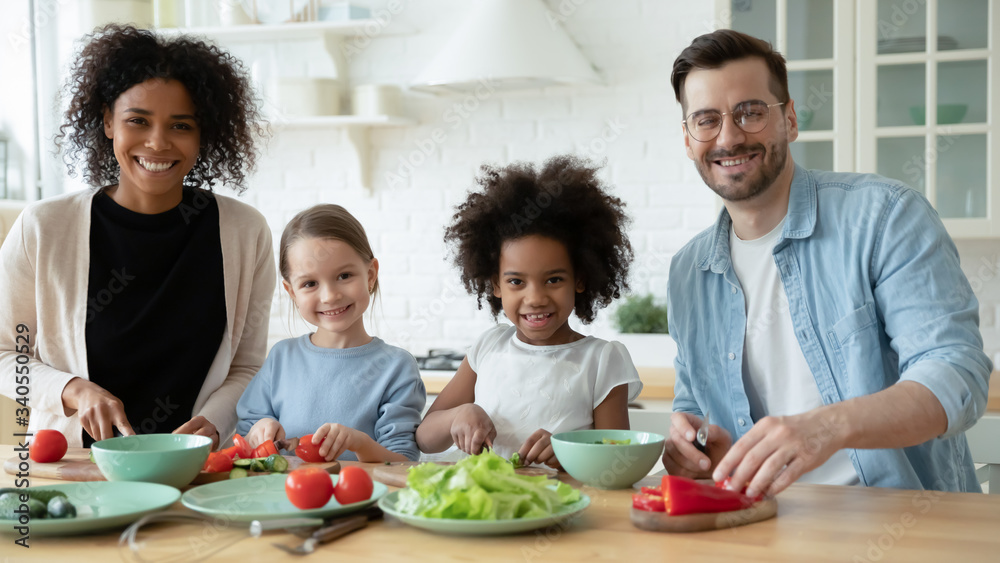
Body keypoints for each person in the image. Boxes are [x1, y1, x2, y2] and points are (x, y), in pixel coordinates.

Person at [663, 29, 993, 496]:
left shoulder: (884, 217)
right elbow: (693, 400)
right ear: (688, 137)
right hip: (758, 527)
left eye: (750, 113)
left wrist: (827, 427)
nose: (729, 137)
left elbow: (955, 375)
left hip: (900, 527)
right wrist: (689, 442)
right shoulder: (687, 272)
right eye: (706, 120)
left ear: (790, 120)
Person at [0, 24, 275, 449]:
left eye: (181, 125)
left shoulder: (244, 231)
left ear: (205, 133)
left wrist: (216, 420)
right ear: (108, 121)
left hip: (199, 472)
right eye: (138, 121)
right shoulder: (43, 227)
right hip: (75, 470)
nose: (157, 142)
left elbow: (248, 365)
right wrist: (74, 390)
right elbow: (3, 356)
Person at [416, 155, 643, 467]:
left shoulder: (602, 361)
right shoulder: (488, 347)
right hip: (490, 509)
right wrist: (459, 414)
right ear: (495, 284)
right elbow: (425, 438)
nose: (535, 298)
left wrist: (569, 451)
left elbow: (619, 462)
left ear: (579, 279)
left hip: (565, 509)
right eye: (516, 281)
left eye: (553, 279)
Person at [236, 204, 425, 462]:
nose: (330, 296)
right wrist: (259, 432)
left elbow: (404, 463)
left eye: (344, 275)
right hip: (285, 499)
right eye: (310, 283)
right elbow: (246, 441)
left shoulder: (397, 367)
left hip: (363, 501)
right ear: (292, 292)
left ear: (370, 275)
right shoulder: (281, 358)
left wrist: (360, 443)